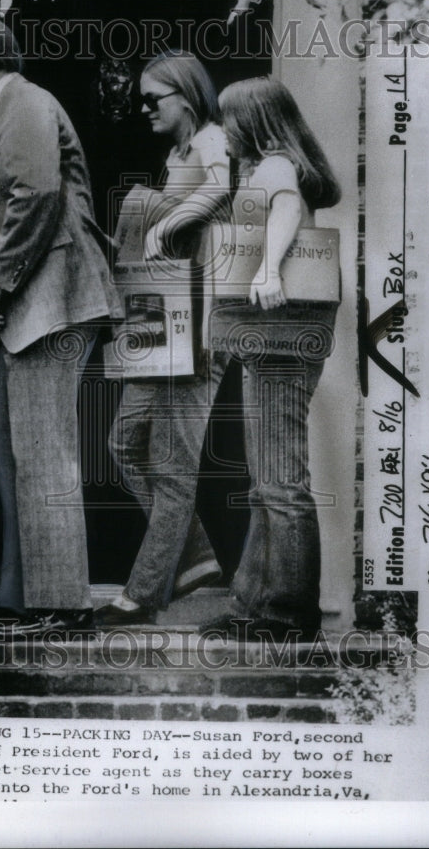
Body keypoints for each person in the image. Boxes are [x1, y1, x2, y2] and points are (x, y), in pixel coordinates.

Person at [0, 15, 123, 637]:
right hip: (32, 307)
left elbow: (38, 192)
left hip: (54, 300)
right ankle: (18, 599)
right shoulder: (4, 108)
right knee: (11, 450)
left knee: (43, 452)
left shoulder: (18, 99)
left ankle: (60, 605)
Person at [96, 50, 232, 626]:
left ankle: (142, 595)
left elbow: (225, 189)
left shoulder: (211, 139)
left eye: (154, 98)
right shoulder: (179, 154)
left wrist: (167, 221)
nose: (143, 107)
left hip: (200, 328)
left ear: (187, 95)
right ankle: (197, 559)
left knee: (172, 467)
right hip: (164, 324)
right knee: (125, 445)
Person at [206, 76, 341, 641]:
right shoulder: (266, 167)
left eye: (228, 120)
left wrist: (266, 269)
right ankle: (256, 605)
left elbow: (285, 209)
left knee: (281, 480)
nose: (223, 130)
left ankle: (287, 615)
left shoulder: (277, 167)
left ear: (252, 121)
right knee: (268, 478)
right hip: (272, 339)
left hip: (281, 337)